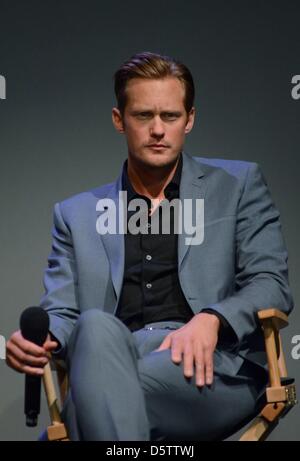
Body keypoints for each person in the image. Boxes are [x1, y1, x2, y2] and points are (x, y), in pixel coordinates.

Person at [6, 51, 294, 441]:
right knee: (94, 326)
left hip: (211, 367)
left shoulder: (237, 186)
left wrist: (212, 318)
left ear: (189, 120)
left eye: (170, 116)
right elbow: (62, 312)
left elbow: (270, 282)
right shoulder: (76, 214)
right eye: (143, 116)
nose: (158, 130)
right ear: (118, 120)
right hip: (111, 357)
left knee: (87, 405)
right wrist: (40, 341)